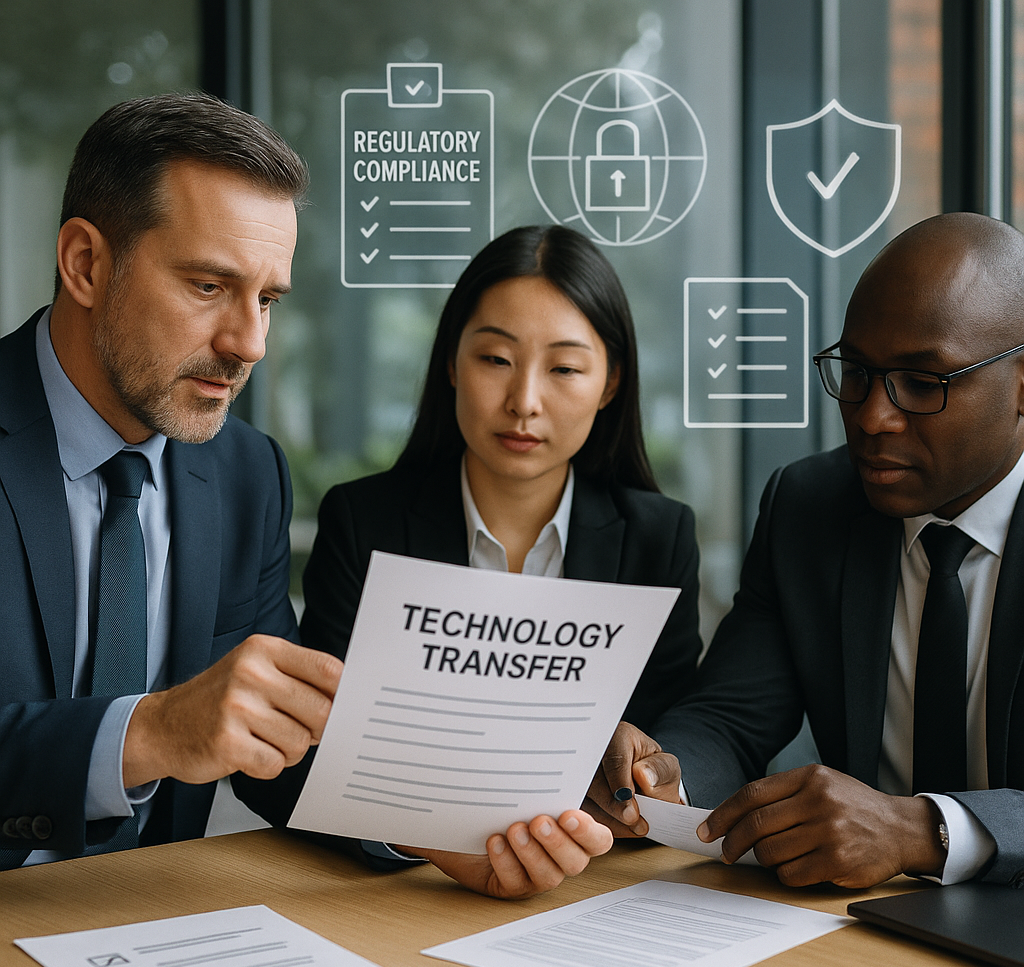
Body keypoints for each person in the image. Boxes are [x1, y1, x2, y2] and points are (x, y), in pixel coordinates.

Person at [254, 225, 702, 898]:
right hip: (404, 891)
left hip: (590, 889)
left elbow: (668, 737)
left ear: (609, 384)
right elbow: (299, 757)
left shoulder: (657, 537)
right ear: (451, 363)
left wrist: (647, 783)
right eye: (496, 359)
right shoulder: (365, 522)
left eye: (565, 368)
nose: (524, 400)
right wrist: (408, 833)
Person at [0, 93, 341, 869]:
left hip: (155, 932)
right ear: (86, 263)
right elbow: (183, 727)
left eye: (267, 299)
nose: (249, 342)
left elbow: (274, 746)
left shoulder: (247, 471)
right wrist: (150, 734)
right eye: (209, 286)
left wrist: (437, 830)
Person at [652, 212, 1024, 889]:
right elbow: (730, 719)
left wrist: (923, 831)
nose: (871, 415)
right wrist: (663, 775)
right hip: (856, 926)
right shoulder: (810, 506)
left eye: (922, 382)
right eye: (856, 370)